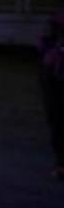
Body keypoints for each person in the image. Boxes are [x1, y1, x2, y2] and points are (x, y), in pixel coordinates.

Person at [40, 11, 64, 180]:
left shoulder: (56, 20)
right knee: (57, 121)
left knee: (58, 121)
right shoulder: (57, 21)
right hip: (55, 76)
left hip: (54, 76)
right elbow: (44, 44)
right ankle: (61, 163)